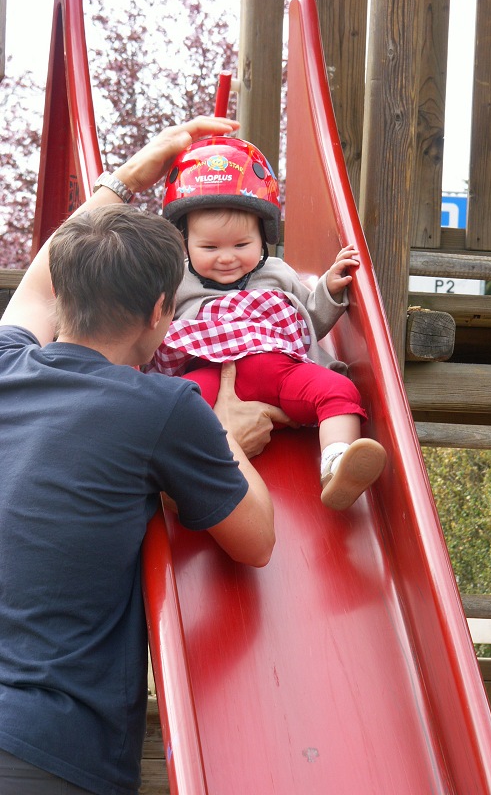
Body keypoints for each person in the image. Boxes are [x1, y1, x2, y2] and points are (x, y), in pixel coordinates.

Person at [0, 116, 282, 795]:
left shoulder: (7, 363)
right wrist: (223, 432)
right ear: (163, 310)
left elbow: (38, 284)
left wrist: (132, 173)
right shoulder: (162, 407)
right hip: (49, 746)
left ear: (68, 298)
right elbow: (257, 538)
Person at [149, 135, 387, 511]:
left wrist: (329, 288)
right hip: (214, 373)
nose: (226, 258)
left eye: (241, 245)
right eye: (209, 248)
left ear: (263, 237)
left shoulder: (276, 273)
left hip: (281, 372)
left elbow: (309, 320)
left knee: (339, 390)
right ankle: (177, 482)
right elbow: (152, 330)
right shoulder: (177, 283)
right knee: (172, 409)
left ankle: (337, 463)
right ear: (184, 242)